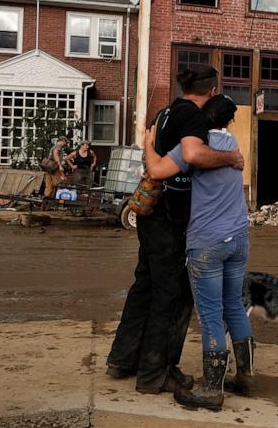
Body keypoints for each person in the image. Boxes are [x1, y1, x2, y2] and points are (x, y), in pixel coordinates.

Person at [106, 64, 244, 395]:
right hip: (170, 218)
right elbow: (194, 154)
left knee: (145, 286)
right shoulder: (193, 118)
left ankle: (123, 359)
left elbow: (154, 154)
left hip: (151, 215)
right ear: (211, 92)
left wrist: (148, 142)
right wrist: (229, 158)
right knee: (174, 295)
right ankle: (156, 373)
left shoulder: (166, 112)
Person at [143, 94, 252, 411]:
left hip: (207, 243)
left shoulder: (193, 149)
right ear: (229, 119)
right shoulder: (233, 146)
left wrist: (148, 141)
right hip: (239, 238)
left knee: (210, 315)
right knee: (233, 305)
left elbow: (157, 171)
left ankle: (212, 389)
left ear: (203, 118)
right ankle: (246, 376)